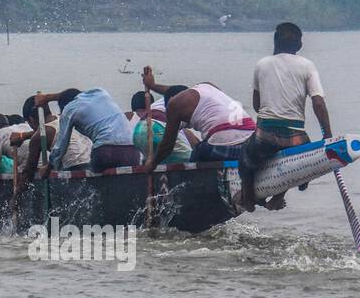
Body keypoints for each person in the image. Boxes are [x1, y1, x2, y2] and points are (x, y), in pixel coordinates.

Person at [237, 22, 332, 212]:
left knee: (244, 158)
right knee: (303, 164)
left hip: (265, 136)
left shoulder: (261, 64)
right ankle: (278, 197)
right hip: (295, 138)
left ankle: (248, 198)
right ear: (299, 46)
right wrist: (328, 137)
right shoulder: (307, 66)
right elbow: (319, 103)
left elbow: (257, 105)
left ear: (275, 42)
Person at [139, 66, 253, 170]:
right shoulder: (207, 86)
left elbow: (168, 146)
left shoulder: (174, 105)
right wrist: (152, 86)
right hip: (252, 143)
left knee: (197, 152)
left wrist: (152, 164)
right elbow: (175, 91)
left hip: (228, 148)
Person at [37, 87, 140, 172]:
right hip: (133, 151)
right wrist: (47, 98)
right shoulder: (101, 92)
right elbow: (74, 94)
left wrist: (49, 167)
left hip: (106, 152)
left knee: (92, 187)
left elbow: (61, 145)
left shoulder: (69, 109)